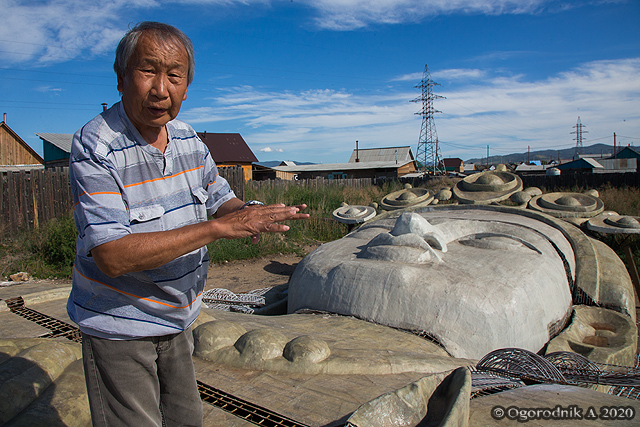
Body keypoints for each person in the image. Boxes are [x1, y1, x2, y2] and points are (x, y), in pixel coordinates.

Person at [67, 21, 308, 426]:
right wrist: (217, 230)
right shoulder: (95, 146)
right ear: (121, 77)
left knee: (186, 420)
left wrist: (250, 215)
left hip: (179, 318)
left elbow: (220, 200)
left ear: (186, 85)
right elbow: (111, 255)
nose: (161, 89)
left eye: (175, 76)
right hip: (120, 326)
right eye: (148, 71)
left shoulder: (188, 140)